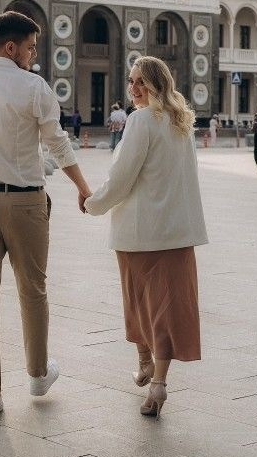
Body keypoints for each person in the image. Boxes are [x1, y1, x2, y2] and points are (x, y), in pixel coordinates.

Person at [0, 10, 92, 423]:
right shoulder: (34, 88)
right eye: (30, 47)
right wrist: (83, 187)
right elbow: (58, 145)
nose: (32, 55)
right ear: (11, 47)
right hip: (25, 203)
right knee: (32, 290)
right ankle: (38, 375)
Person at [84, 56, 207, 419]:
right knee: (166, 310)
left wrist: (93, 203)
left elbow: (123, 177)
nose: (134, 89)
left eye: (141, 82)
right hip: (177, 232)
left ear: (156, 84)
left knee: (138, 304)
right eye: (131, 81)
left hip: (140, 232)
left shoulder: (140, 120)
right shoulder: (181, 121)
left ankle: (144, 363)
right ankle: (158, 384)